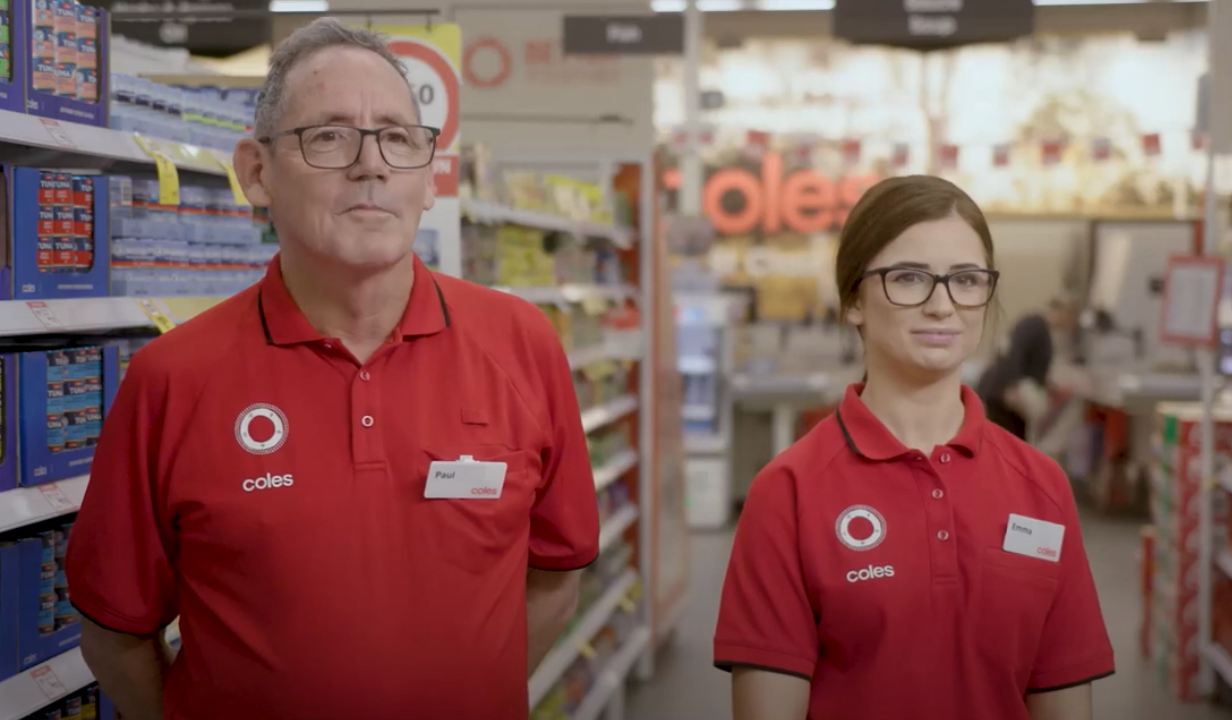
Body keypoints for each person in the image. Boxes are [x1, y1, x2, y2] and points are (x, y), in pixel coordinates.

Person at [66, 19, 599, 720]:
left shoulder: (522, 344)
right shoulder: (171, 379)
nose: (370, 164)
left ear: (429, 178)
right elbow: (115, 629)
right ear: (256, 173)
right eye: (329, 136)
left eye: (398, 138)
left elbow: (556, 575)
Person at [713, 176, 1114, 720]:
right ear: (854, 298)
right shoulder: (788, 494)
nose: (942, 305)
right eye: (908, 278)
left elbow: (1062, 697)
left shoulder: (1041, 486)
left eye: (966, 280)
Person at [976, 295, 1079, 440]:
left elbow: (1032, 365)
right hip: (1004, 396)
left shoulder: (1043, 331)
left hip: (1011, 398)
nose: (1069, 324)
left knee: (1014, 442)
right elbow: (1013, 353)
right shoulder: (1034, 325)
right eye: (1070, 318)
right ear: (1063, 313)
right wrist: (1011, 387)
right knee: (1003, 442)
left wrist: (1048, 384)